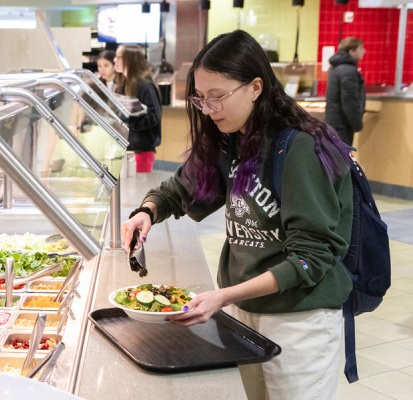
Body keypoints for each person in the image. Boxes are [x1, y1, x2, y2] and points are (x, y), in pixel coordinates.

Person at [121, 30, 353, 400]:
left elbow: (311, 258)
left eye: (218, 97)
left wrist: (223, 295)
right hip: (245, 311)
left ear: (256, 87)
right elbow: (181, 189)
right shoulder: (231, 136)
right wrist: (146, 212)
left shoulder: (300, 147)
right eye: (201, 99)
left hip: (299, 320)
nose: (209, 109)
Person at [114, 44, 162, 173]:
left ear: (130, 60)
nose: (115, 60)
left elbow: (154, 117)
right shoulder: (123, 84)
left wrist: (129, 121)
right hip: (128, 147)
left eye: (119, 57)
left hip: (142, 149)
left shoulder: (145, 86)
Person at [324, 37, 366, 146]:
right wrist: (357, 124)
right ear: (351, 51)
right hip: (342, 125)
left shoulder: (335, 67)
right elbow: (349, 101)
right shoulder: (348, 71)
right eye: (361, 48)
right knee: (342, 158)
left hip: (333, 121)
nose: (364, 51)